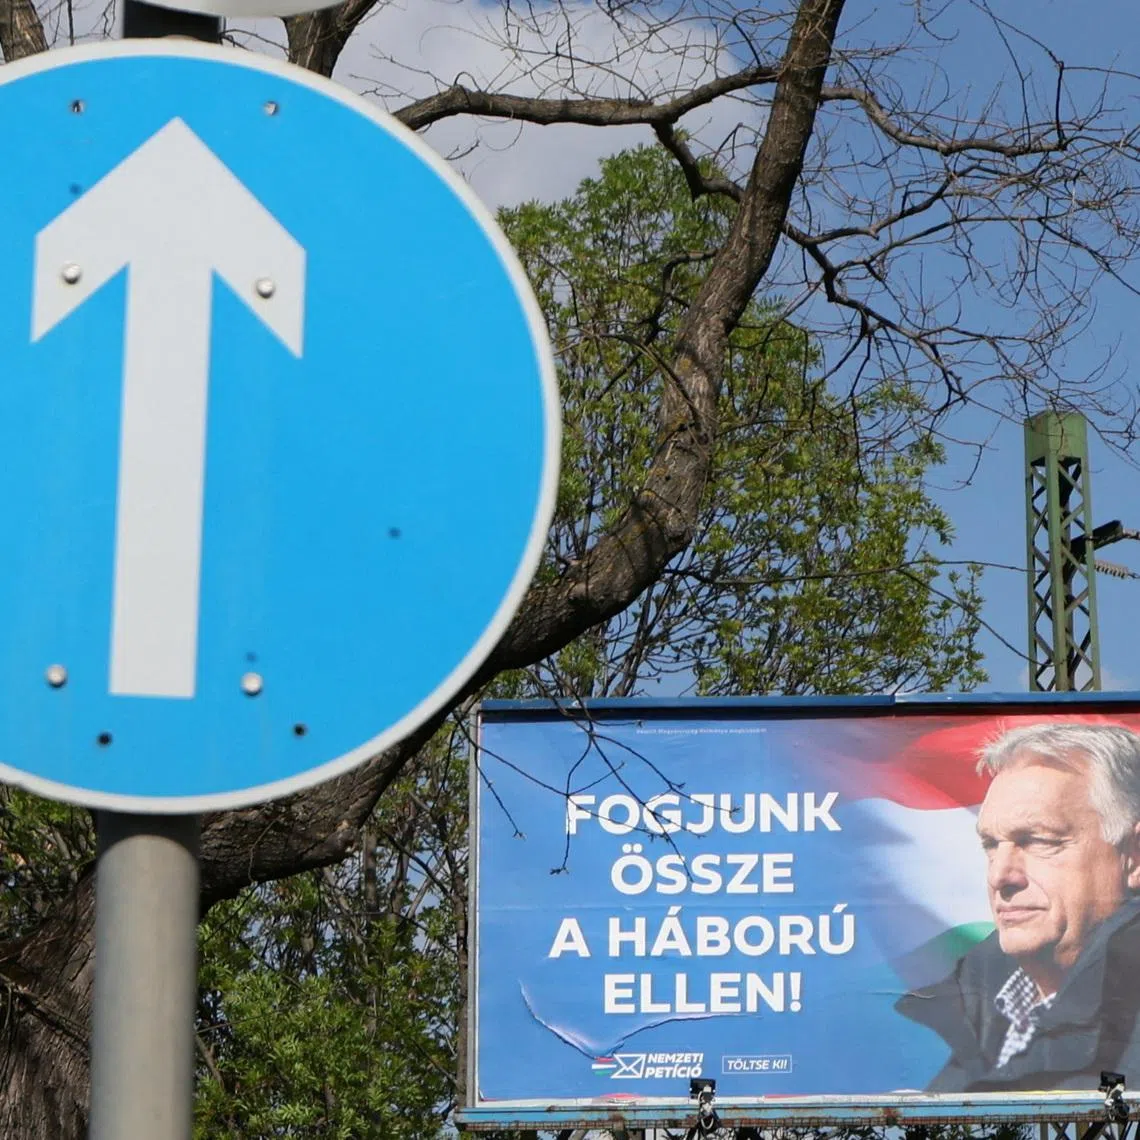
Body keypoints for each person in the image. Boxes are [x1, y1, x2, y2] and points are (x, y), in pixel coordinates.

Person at [896, 721, 1140, 1092]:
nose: (1001, 876)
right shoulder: (977, 1007)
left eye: (1039, 840)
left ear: (1133, 857)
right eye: (991, 845)